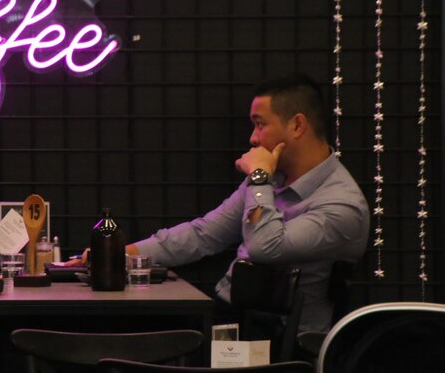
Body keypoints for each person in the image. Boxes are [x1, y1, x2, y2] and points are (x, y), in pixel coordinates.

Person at [71, 74, 370, 333]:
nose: (253, 138)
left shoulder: (342, 206)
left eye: (260, 124)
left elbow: (266, 248)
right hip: (230, 316)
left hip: (279, 337)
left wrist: (258, 178)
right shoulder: (269, 180)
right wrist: (119, 254)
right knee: (114, 328)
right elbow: (205, 234)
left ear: (297, 125)